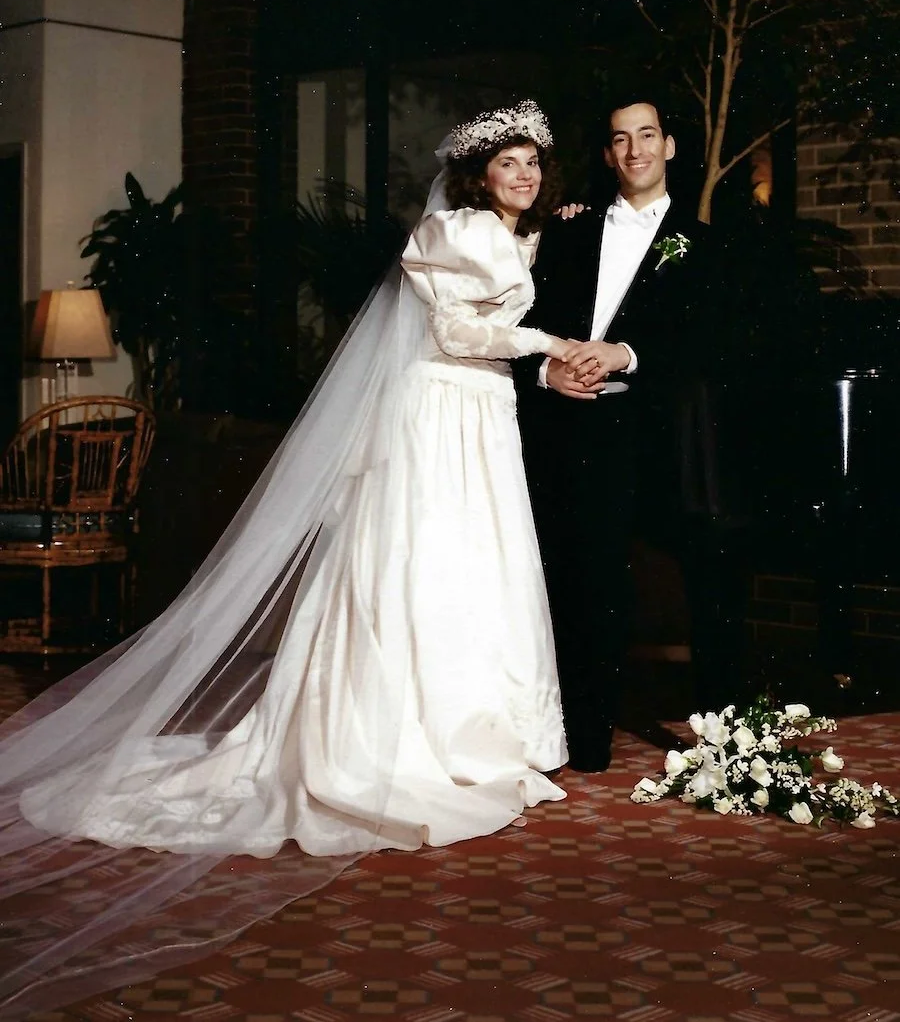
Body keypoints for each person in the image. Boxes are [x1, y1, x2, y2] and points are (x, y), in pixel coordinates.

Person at [0, 100, 579, 1017]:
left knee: (482, 566)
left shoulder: (516, 233)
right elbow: (458, 335)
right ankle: (413, 739)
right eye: (509, 164)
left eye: (534, 165)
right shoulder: (451, 229)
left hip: (487, 417)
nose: (524, 177)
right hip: (440, 413)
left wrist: (545, 302)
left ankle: (481, 734)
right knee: (427, 564)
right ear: (477, 173)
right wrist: (552, 342)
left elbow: (505, 304)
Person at [514, 95, 747, 774]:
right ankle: (583, 742)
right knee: (587, 590)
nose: (635, 150)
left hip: (664, 441)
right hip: (580, 436)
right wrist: (546, 375)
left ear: (669, 146)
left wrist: (628, 352)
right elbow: (524, 322)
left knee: (704, 581)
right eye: (621, 139)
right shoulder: (568, 230)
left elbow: (711, 341)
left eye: (648, 135)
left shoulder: (706, 244)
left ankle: (723, 745)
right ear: (608, 152)